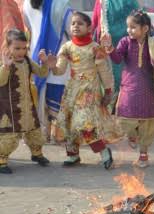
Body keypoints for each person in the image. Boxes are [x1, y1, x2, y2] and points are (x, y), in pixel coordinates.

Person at [101, 10, 154, 168]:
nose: (129, 30)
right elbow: (117, 59)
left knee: (147, 122)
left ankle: (143, 155)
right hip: (129, 88)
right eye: (128, 27)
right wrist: (109, 47)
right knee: (126, 119)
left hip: (147, 88)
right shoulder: (125, 42)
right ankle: (132, 136)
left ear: (145, 29)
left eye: (133, 27)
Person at [49, 11, 114, 169]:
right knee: (69, 122)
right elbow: (59, 70)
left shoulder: (95, 48)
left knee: (85, 123)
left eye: (80, 23)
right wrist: (50, 65)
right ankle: (73, 155)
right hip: (72, 91)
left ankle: (104, 151)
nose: (75, 26)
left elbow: (104, 71)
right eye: (73, 23)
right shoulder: (66, 48)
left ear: (89, 27)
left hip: (89, 91)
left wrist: (108, 90)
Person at [0, 29, 50, 174]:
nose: (21, 51)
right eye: (17, 48)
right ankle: (1, 160)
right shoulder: (4, 63)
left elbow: (41, 73)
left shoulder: (27, 61)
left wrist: (45, 63)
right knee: (10, 134)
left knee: (33, 131)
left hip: (28, 106)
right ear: (7, 47)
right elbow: (1, 81)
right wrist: (6, 66)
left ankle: (37, 154)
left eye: (24, 48)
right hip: (9, 108)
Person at [23, 0, 73, 142]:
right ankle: (57, 134)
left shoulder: (27, 3)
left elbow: (29, 29)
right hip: (58, 59)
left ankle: (41, 134)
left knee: (39, 96)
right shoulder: (61, 5)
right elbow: (72, 30)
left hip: (37, 57)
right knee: (57, 96)